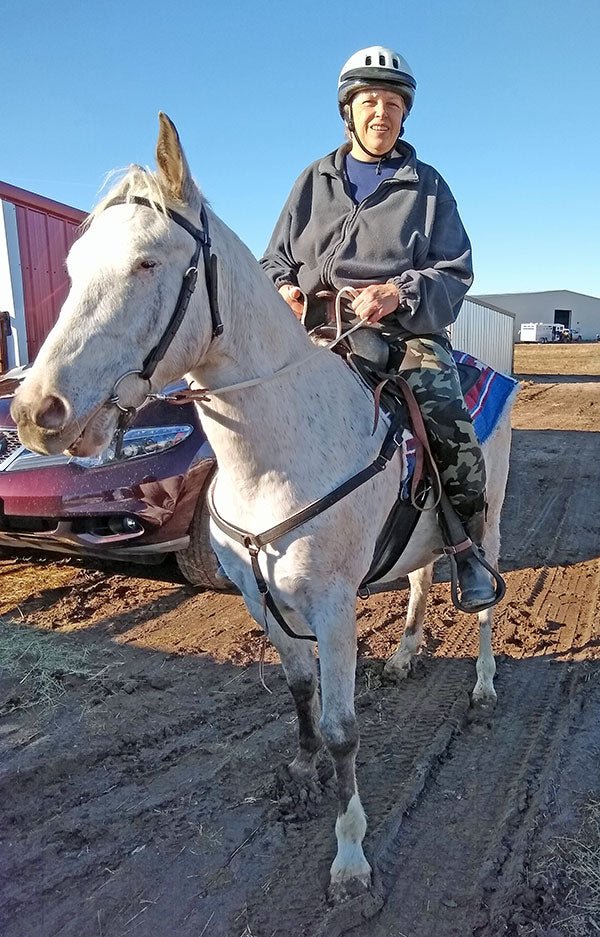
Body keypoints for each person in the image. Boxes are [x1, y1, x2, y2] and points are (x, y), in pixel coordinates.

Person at [260, 45, 494, 611]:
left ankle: (467, 548)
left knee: (447, 422)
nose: (381, 113)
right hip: (314, 329)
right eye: (369, 102)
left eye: (392, 103)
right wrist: (285, 289)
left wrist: (397, 294)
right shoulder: (312, 180)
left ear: (404, 114)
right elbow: (274, 260)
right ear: (349, 110)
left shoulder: (427, 186)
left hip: (401, 332)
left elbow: (454, 271)